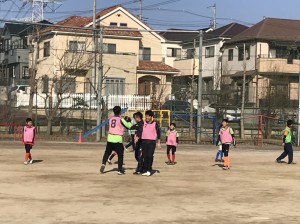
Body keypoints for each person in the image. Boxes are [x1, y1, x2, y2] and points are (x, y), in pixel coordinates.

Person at [100, 106, 132, 175]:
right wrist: (129, 121)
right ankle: (119, 170)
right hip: (117, 139)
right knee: (120, 155)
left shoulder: (111, 119)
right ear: (120, 112)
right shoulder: (121, 119)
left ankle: (103, 163)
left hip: (110, 138)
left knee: (107, 153)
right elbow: (129, 126)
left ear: (113, 111)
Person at [138, 110, 161, 176]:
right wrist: (137, 136)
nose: (147, 117)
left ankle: (149, 170)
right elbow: (139, 130)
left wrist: (158, 142)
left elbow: (158, 133)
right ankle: (145, 169)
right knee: (145, 156)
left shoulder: (155, 124)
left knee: (150, 156)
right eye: (146, 116)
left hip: (151, 142)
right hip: (144, 142)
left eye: (148, 116)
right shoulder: (143, 123)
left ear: (151, 117)